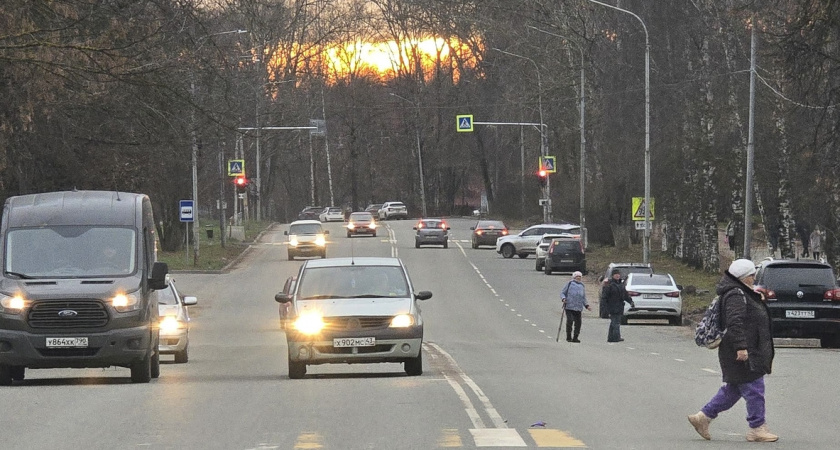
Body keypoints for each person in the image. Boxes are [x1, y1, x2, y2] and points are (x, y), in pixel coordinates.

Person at [688, 259, 777, 442]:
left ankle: (703, 417)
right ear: (744, 277)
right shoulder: (736, 295)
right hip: (742, 350)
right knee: (755, 389)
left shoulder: (741, 292)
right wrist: (741, 347)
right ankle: (757, 428)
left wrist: (755, 299)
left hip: (742, 348)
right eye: (752, 275)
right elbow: (735, 322)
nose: (754, 278)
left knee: (734, 389)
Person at [601, 268, 635, 342]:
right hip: (612, 306)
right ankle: (616, 337)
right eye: (616, 274)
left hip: (619, 306)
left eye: (618, 274)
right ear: (613, 275)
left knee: (614, 322)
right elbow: (604, 297)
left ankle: (610, 337)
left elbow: (625, 295)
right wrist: (604, 308)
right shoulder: (609, 285)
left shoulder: (621, 284)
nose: (617, 276)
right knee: (616, 322)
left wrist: (630, 302)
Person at [560, 271, 591, 343]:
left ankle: (575, 337)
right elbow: (562, 293)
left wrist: (586, 305)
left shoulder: (582, 286)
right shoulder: (570, 283)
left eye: (580, 277)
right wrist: (563, 298)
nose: (578, 278)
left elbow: (583, 297)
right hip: (569, 306)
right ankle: (568, 337)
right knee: (570, 321)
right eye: (577, 276)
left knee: (578, 323)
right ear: (574, 277)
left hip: (578, 307)